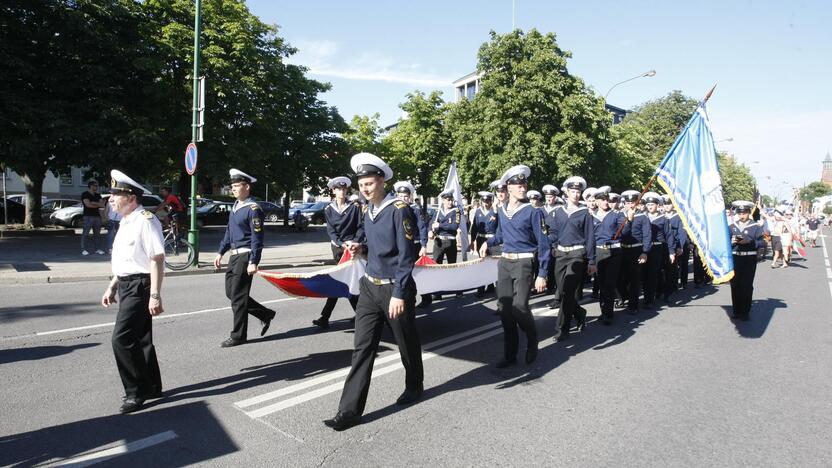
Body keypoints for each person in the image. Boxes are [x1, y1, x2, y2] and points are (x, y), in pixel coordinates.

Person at [324, 153, 423, 431]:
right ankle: (349, 411)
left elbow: (407, 256)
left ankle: (415, 384)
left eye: (370, 183)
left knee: (407, 341)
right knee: (362, 348)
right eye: (362, 185)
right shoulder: (367, 210)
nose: (365, 189)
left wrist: (400, 293)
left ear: (381, 181)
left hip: (394, 287)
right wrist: (360, 248)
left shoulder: (399, 209)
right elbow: (372, 244)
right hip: (369, 287)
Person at [100, 170, 165, 414]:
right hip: (128, 284)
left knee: (122, 339)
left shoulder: (146, 220)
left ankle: (135, 392)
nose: (110, 199)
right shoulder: (126, 221)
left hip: (141, 285)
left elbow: (156, 259)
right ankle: (152, 387)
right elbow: (127, 260)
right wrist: (112, 286)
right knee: (141, 338)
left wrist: (155, 295)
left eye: (115, 195)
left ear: (130, 197)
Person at [480, 165, 549, 366]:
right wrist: (488, 242)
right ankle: (510, 355)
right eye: (518, 185)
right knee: (505, 308)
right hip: (505, 262)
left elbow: (543, 245)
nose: (523, 187)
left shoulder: (533, 212)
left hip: (524, 262)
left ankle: (532, 339)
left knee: (520, 307)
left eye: (524, 184)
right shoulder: (502, 211)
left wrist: (543, 273)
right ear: (508, 188)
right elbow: (502, 234)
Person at [213, 169, 276, 347]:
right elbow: (229, 233)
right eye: (231, 186)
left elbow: (257, 238)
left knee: (238, 298)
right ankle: (265, 314)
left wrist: (254, 261)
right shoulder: (235, 207)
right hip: (234, 256)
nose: (232, 189)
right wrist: (220, 252)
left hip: (246, 255)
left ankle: (239, 335)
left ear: (246, 187)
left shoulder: (253, 209)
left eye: (236, 186)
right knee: (231, 293)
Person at [550, 176, 596, 341]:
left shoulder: (585, 213)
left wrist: (591, 261)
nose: (576, 194)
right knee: (562, 292)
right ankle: (580, 312)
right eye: (573, 191)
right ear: (567, 192)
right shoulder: (558, 212)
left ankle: (562, 328)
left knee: (568, 291)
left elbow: (590, 238)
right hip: (561, 255)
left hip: (577, 255)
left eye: (578, 192)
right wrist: (553, 245)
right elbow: (552, 232)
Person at [313, 176, 362, 329]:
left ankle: (326, 317)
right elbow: (331, 230)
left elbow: (361, 227)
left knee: (343, 281)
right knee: (342, 281)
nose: (341, 191)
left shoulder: (354, 207)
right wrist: (341, 243)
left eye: (344, 189)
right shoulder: (328, 209)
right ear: (333, 191)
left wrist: (353, 242)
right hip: (338, 248)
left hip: (352, 248)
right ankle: (360, 315)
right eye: (338, 189)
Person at [592, 186, 626, 325]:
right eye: (602, 199)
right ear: (596, 201)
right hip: (598, 251)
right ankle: (603, 311)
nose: (605, 202)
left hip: (613, 252)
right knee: (601, 284)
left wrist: (628, 220)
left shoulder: (617, 215)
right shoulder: (591, 216)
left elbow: (624, 231)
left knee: (610, 283)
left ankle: (609, 314)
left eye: (607, 199)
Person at [617, 190, 652, 314]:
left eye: (633, 202)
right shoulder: (620, 216)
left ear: (637, 203)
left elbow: (647, 236)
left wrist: (645, 252)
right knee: (620, 278)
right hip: (622, 249)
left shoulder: (643, 217)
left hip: (636, 250)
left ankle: (633, 305)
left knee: (634, 280)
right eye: (628, 202)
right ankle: (623, 298)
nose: (631, 205)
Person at [729, 201, 765, 321]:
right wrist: (731, 242)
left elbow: (762, 242)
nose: (741, 215)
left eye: (744, 213)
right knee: (735, 285)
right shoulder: (732, 226)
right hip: (735, 258)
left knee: (746, 285)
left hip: (749, 258)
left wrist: (750, 241)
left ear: (749, 213)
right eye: (739, 213)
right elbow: (725, 242)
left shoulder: (756, 226)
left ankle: (745, 311)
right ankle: (736, 310)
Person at [641, 192, 675, 308]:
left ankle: (653, 297)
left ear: (657, 205)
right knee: (645, 274)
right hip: (645, 248)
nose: (650, 206)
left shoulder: (663, 219)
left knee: (656, 273)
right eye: (648, 204)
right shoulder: (642, 217)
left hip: (658, 247)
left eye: (652, 204)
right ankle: (650, 295)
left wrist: (671, 251)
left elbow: (669, 235)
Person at [429, 188, 462, 300]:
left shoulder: (456, 211)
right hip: (438, 241)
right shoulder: (438, 211)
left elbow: (454, 226)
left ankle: (457, 289)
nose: (450, 202)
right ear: (443, 200)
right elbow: (431, 223)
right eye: (447, 200)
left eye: (451, 200)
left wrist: (440, 226)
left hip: (450, 241)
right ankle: (437, 292)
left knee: (452, 266)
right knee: (436, 267)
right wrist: (430, 230)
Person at [470, 190, 498, 297]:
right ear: (482, 201)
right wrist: (472, 241)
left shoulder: (495, 211)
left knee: (492, 264)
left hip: (492, 240)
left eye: (488, 200)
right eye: (484, 201)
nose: (486, 203)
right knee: (482, 264)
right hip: (481, 239)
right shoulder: (478, 211)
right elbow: (474, 227)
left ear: (491, 201)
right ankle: (480, 288)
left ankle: (492, 286)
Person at [662, 195, 687, 301]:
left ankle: (670, 290)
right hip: (662, 245)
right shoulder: (661, 217)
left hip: (674, 245)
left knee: (671, 269)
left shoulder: (678, 217)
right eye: (665, 204)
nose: (667, 206)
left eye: (669, 204)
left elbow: (681, 233)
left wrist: (680, 246)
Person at [81, 180, 106, 255]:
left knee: (97, 234)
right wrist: (97, 204)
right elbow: (88, 205)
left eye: (97, 186)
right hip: (88, 216)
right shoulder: (85, 194)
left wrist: (93, 202)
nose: (96, 187)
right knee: (86, 233)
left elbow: (103, 205)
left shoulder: (98, 195)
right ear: (91, 186)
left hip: (97, 216)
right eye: (95, 186)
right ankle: (84, 249)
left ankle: (97, 249)